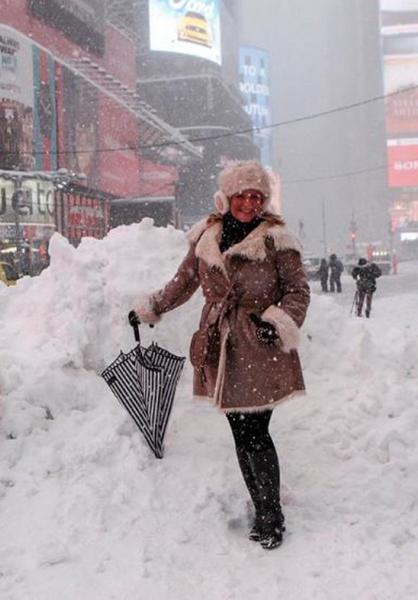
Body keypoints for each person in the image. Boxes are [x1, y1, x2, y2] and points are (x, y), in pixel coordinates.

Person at [129, 161, 309, 550]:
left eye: (256, 196)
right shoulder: (207, 237)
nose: (248, 203)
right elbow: (184, 282)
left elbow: (297, 291)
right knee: (240, 432)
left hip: (260, 346)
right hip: (219, 344)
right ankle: (262, 505)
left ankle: (270, 515)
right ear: (227, 197)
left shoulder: (277, 238)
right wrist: (151, 307)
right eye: (242, 195)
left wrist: (277, 322)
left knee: (256, 432)